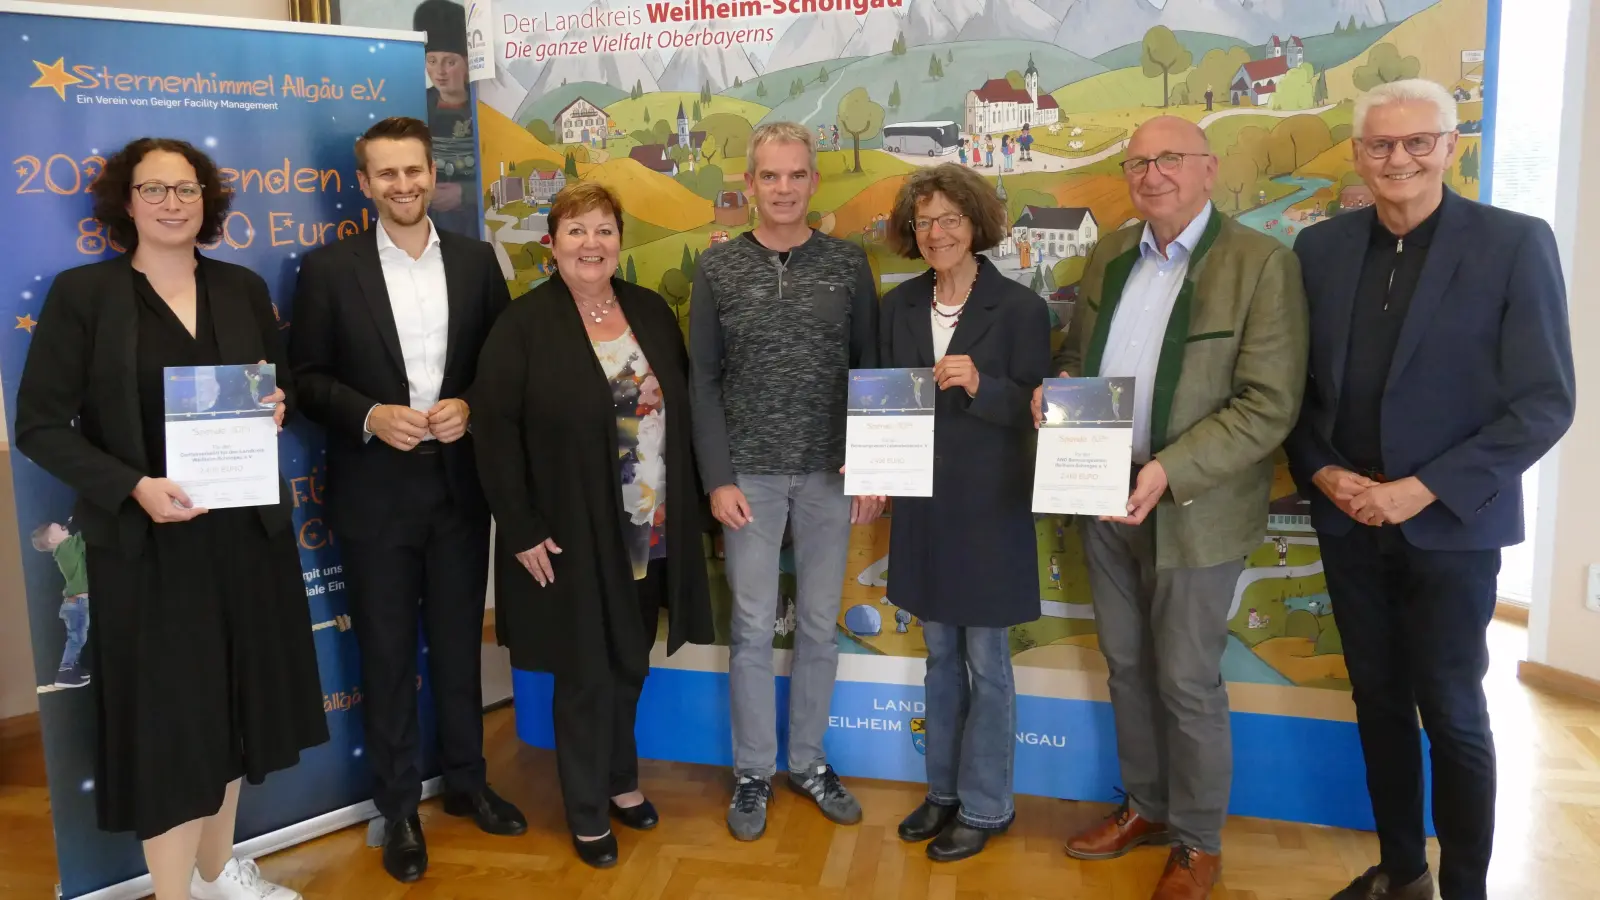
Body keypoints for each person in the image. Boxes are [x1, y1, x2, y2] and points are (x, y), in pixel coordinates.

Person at [13, 136, 327, 900]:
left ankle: (218, 875)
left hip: (244, 539)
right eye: (154, 190)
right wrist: (132, 486)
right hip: (146, 548)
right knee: (169, 727)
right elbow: (41, 426)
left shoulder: (242, 289)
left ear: (207, 200)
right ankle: (173, 893)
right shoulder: (84, 296)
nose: (172, 202)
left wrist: (276, 405)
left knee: (235, 713)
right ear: (127, 202)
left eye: (185, 189)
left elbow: (274, 387)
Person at [1286, 80, 1575, 900]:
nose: (1399, 158)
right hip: (1349, 523)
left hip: (1451, 527)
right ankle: (1402, 869)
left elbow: (1545, 403)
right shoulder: (1322, 250)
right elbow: (1297, 394)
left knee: (1451, 712)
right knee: (1376, 702)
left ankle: (1466, 889)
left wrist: (1421, 489)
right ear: (1358, 155)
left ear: (1452, 147)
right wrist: (1321, 468)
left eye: (1420, 142)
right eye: (1381, 145)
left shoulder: (1514, 243)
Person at [1036, 116, 1309, 900]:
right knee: (1126, 667)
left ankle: (1197, 843)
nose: (1150, 175)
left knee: (1186, 681)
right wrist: (1050, 397)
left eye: (1168, 160)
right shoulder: (1112, 254)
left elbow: (1269, 404)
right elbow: (1074, 358)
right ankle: (1145, 808)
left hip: (1195, 503)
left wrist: (1166, 469)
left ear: (1207, 169)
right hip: (1100, 488)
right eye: (1137, 163)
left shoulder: (1262, 264)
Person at [289, 117, 520, 884]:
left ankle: (466, 783)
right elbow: (307, 378)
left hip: (459, 486)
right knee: (387, 657)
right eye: (385, 174)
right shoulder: (328, 270)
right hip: (374, 492)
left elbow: (502, 366)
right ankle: (397, 811)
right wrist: (367, 414)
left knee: (458, 646)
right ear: (364, 184)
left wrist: (472, 404)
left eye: (413, 171)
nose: (403, 185)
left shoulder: (479, 261)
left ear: (432, 174)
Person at [472, 182, 716, 868]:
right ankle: (585, 811)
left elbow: (682, 409)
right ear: (551, 244)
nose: (591, 243)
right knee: (585, 674)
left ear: (619, 241)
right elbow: (494, 432)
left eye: (603, 230)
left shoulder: (648, 311)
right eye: (576, 230)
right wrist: (518, 528)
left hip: (651, 528)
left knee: (629, 663)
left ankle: (620, 779)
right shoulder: (523, 325)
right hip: (569, 533)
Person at [689, 121, 882, 841]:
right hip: (750, 480)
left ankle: (807, 762)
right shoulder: (718, 270)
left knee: (820, 632)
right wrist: (718, 478)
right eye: (770, 176)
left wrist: (870, 464)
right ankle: (751, 772)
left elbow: (872, 371)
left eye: (796, 175)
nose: (783, 189)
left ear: (813, 182)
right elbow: (702, 382)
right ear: (749, 183)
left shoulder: (847, 263)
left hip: (831, 473)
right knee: (748, 630)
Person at [877, 163, 1049, 862]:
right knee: (939, 656)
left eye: (950, 219)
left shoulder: (1019, 308)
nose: (937, 233)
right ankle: (943, 793)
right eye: (924, 222)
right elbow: (882, 400)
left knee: (987, 660)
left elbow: (1040, 410)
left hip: (990, 510)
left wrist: (983, 385)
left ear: (976, 224)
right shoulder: (897, 306)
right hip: (921, 508)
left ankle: (987, 805)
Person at [412, 0, 478, 237]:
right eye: (432, 61)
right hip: (427, 221)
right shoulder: (415, 105)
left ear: (467, 63)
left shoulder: (484, 107)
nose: (439, 71)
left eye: (450, 62)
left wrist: (465, 193)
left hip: (476, 220)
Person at [32, 520, 90, 689]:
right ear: (52, 540)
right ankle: (65, 672)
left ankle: (72, 668)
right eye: (59, 527)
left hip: (76, 604)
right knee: (77, 639)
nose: (64, 526)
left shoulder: (66, 550)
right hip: (77, 604)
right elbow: (84, 536)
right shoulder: (65, 549)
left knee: (78, 638)